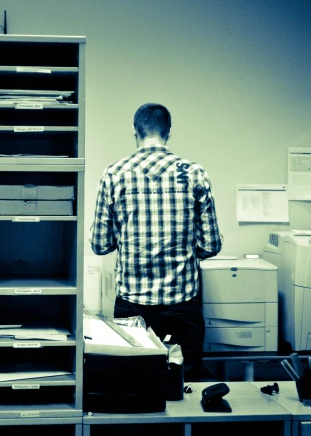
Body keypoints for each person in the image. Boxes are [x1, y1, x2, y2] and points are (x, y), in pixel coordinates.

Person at [89, 103, 222, 381]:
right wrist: (184, 247)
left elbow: (100, 245)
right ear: (168, 133)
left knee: (135, 385)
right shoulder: (195, 173)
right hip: (182, 306)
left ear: (134, 132)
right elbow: (211, 245)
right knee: (187, 387)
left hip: (133, 306)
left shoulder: (114, 174)